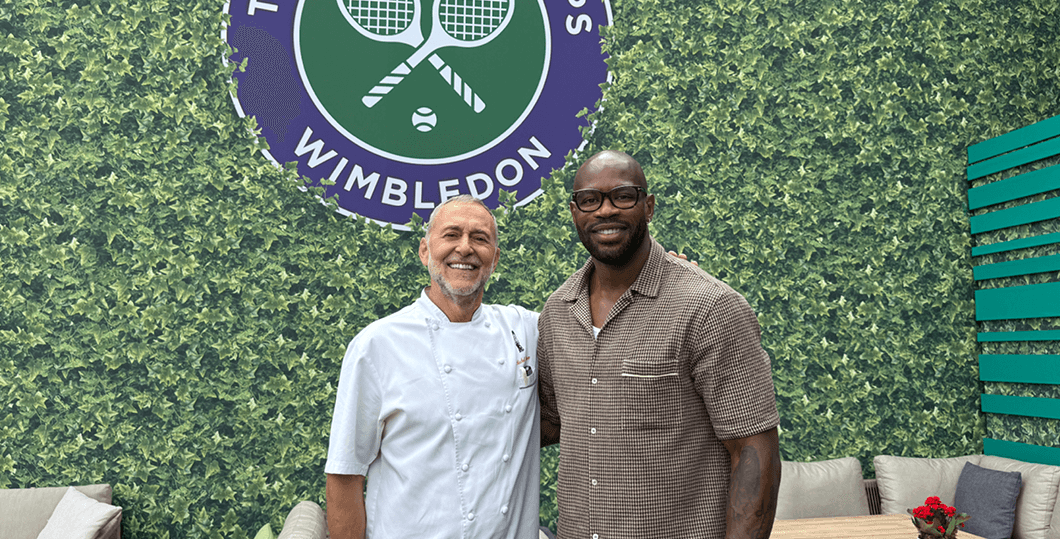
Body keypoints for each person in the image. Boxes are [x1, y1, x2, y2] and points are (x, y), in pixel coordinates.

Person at [537, 150, 781, 539]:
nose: (605, 211)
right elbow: (551, 423)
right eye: (590, 200)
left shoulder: (708, 307)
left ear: (648, 206)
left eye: (622, 196)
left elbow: (754, 450)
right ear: (574, 212)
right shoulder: (558, 311)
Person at [324, 195, 540, 539]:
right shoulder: (377, 344)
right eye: (451, 235)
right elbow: (344, 476)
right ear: (425, 251)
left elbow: (591, 316)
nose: (465, 248)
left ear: (495, 259)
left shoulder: (523, 330)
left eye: (480, 238)